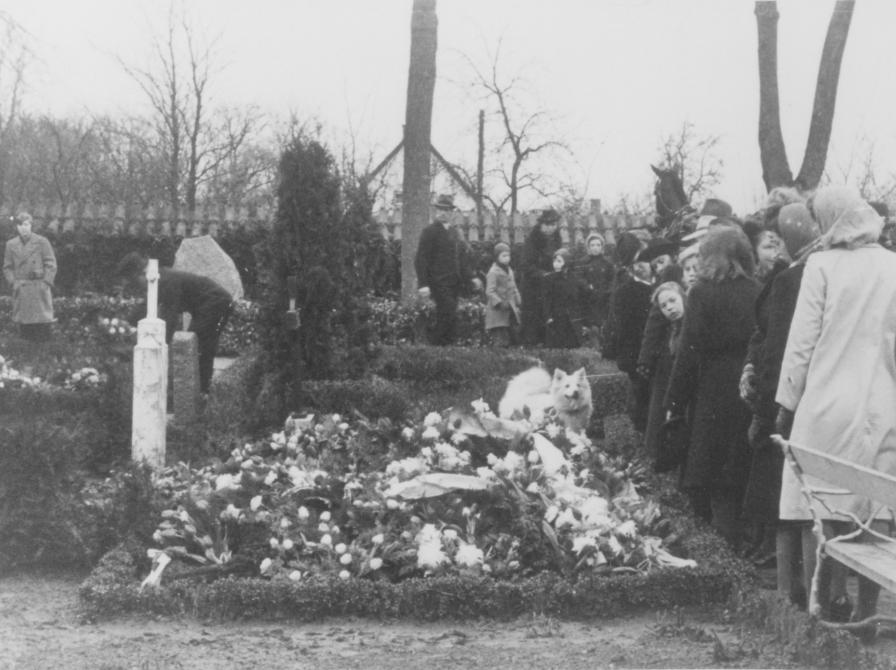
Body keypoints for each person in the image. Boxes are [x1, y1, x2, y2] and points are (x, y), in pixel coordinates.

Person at [775, 186, 896, 626]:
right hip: (880, 403)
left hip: (826, 401)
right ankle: (868, 611)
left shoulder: (821, 265)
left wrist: (786, 402)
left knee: (818, 506)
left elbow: (801, 344)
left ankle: (826, 602)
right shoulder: (893, 265)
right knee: (876, 506)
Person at [665, 224, 758, 546]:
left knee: (707, 468)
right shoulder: (756, 289)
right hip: (747, 384)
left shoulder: (701, 293)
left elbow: (689, 352)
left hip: (712, 388)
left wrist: (674, 402)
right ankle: (740, 543)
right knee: (738, 468)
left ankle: (715, 547)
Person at [117, 252, 234, 394]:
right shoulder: (160, 277)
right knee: (198, 346)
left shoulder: (166, 280)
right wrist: (124, 323)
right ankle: (201, 390)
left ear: (140, 273)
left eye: (134, 282)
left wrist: (162, 344)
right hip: (210, 304)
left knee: (194, 344)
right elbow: (146, 305)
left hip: (215, 302)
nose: (140, 287)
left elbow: (170, 315)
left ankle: (198, 392)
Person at [414, 195, 480, 345]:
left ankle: (447, 349)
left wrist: (471, 277)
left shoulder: (454, 233)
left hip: (453, 282)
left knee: (450, 315)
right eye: (440, 209)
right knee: (448, 312)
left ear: (452, 213)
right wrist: (423, 284)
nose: (442, 213)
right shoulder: (429, 231)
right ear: (435, 211)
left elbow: (462, 260)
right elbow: (421, 258)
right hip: (437, 282)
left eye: (446, 210)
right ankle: (436, 347)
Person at [609, 233, 653, 431]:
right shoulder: (626, 291)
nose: (645, 263)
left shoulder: (657, 285)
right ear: (630, 265)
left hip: (653, 356)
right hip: (637, 357)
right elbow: (624, 331)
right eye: (639, 259)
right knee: (642, 403)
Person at [640, 281, 686, 469]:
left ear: (682, 297)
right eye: (664, 306)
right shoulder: (670, 329)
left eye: (673, 301)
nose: (670, 308)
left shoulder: (691, 324)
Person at [3, 212, 57, 342]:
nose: (23, 228)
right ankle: (26, 358)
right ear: (16, 227)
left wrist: (46, 283)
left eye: (26, 224)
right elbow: (7, 267)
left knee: (42, 328)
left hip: (39, 289)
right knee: (25, 329)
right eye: (20, 225)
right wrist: (13, 283)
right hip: (22, 289)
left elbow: (51, 264)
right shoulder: (11, 244)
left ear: (31, 225)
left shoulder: (42, 242)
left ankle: (42, 359)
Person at [520, 209, 562, 345]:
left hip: (550, 283)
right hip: (533, 285)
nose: (551, 228)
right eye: (548, 225)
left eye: (554, 224)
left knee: (549, 313)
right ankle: (530, 343)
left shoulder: (557, 239)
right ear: (541, 225)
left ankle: (548, 342)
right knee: (533, 315)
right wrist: (542, 274)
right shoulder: (533, 240)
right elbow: (526, 265)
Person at [574, 232, 615, 349]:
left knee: (603, 322)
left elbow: (612, 278)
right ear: (588, 247)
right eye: (592, 245)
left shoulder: (608, 263)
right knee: (592, 324)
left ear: (602, 247)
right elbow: (579, 277)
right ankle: (594, 346)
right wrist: (587, 287)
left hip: (604, 298)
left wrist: (608, 291)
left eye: (598, 245)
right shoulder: (583, 262)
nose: (595, 248)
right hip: (588, 298)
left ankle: (605, 346)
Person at [542, 248, 582, 349]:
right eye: (554, 261)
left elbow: (576, 296)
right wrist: (548, 315)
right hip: (556, 314)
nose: (556, 264)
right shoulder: (549, 278)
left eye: (559, 261)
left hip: (568, 314)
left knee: (570, 341)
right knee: (556, 341)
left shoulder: (572, 278)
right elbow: (546, 299)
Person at [484, 242, 521, 347]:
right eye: (503, 256)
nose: (507, 258)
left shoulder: (509, 270)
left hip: (510, 310)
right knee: (500, 340)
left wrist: (518, 300)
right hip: (498, 312)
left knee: (513, 338)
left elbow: (514, 287)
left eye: (508, 255)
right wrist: (499, 302)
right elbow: (489, 291)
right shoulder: (493, 272)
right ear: (497, 257)